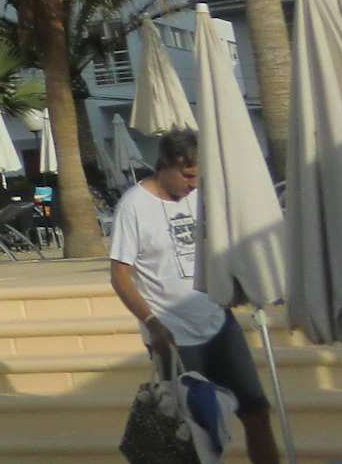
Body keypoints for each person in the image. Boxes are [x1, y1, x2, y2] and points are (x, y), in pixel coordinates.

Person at [109, 128, 281, 464]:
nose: (193, 184)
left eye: (199, 176)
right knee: (190, 433)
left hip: (219, 323)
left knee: (256, 411)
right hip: (173, 336)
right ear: (167, 164)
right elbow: (119, 275)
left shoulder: (203, 197)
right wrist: (152, 323)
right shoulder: (133, 207)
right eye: (188, 176)